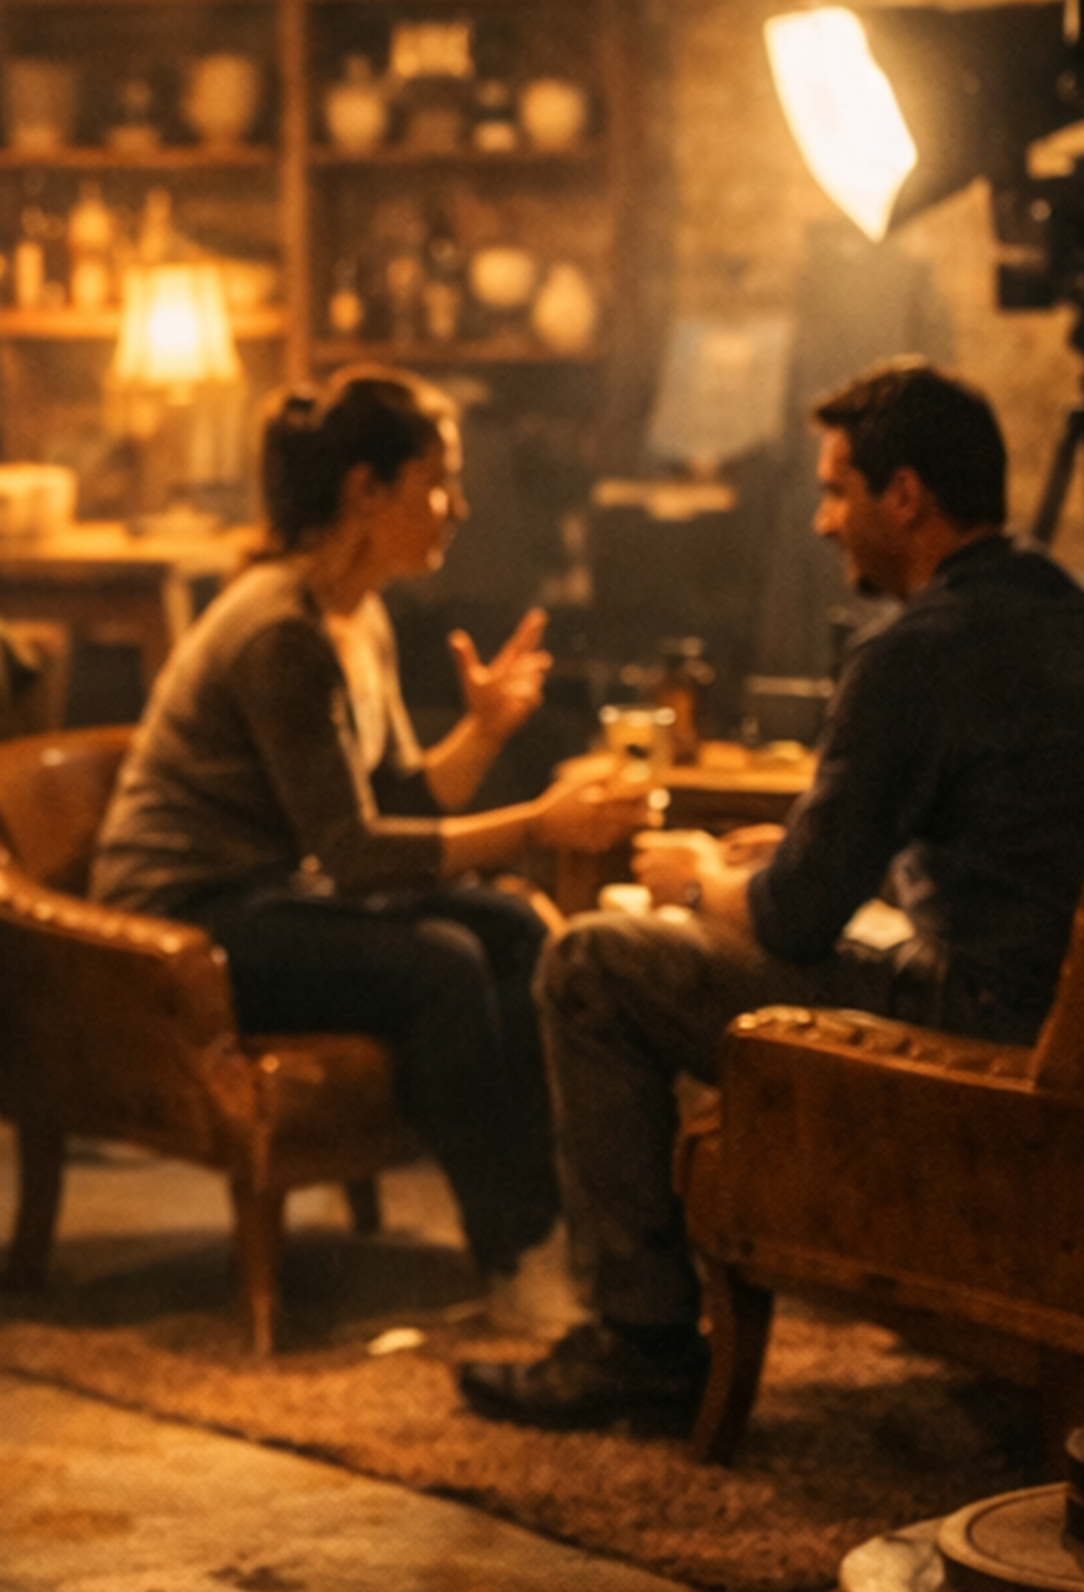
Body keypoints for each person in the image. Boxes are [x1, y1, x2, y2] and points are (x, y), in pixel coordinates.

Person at [462, 356, 1084, 1429]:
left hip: (984, 1035)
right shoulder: (1060, 615)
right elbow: (996, 842)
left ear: (905, 496)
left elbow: (795, 922)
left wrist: (703, 879)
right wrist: (789, 847)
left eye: (836, 489)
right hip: (1049, 1011)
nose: (818, 521)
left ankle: (639, 1341)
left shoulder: (913, 653)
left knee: (587, 963)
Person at [88, 373, 644, 1293]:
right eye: (438, 483)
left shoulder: (357, 614)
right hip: (184, 918)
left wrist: (486, 732)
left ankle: (554, 1216)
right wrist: (538, 823)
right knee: (441, 962)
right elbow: (353, 856)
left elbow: (397, 803)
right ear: (366, 491)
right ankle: (515, 1238)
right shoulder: (282, 633)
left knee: (512, 927)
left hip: (269, 891)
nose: (457, 509)